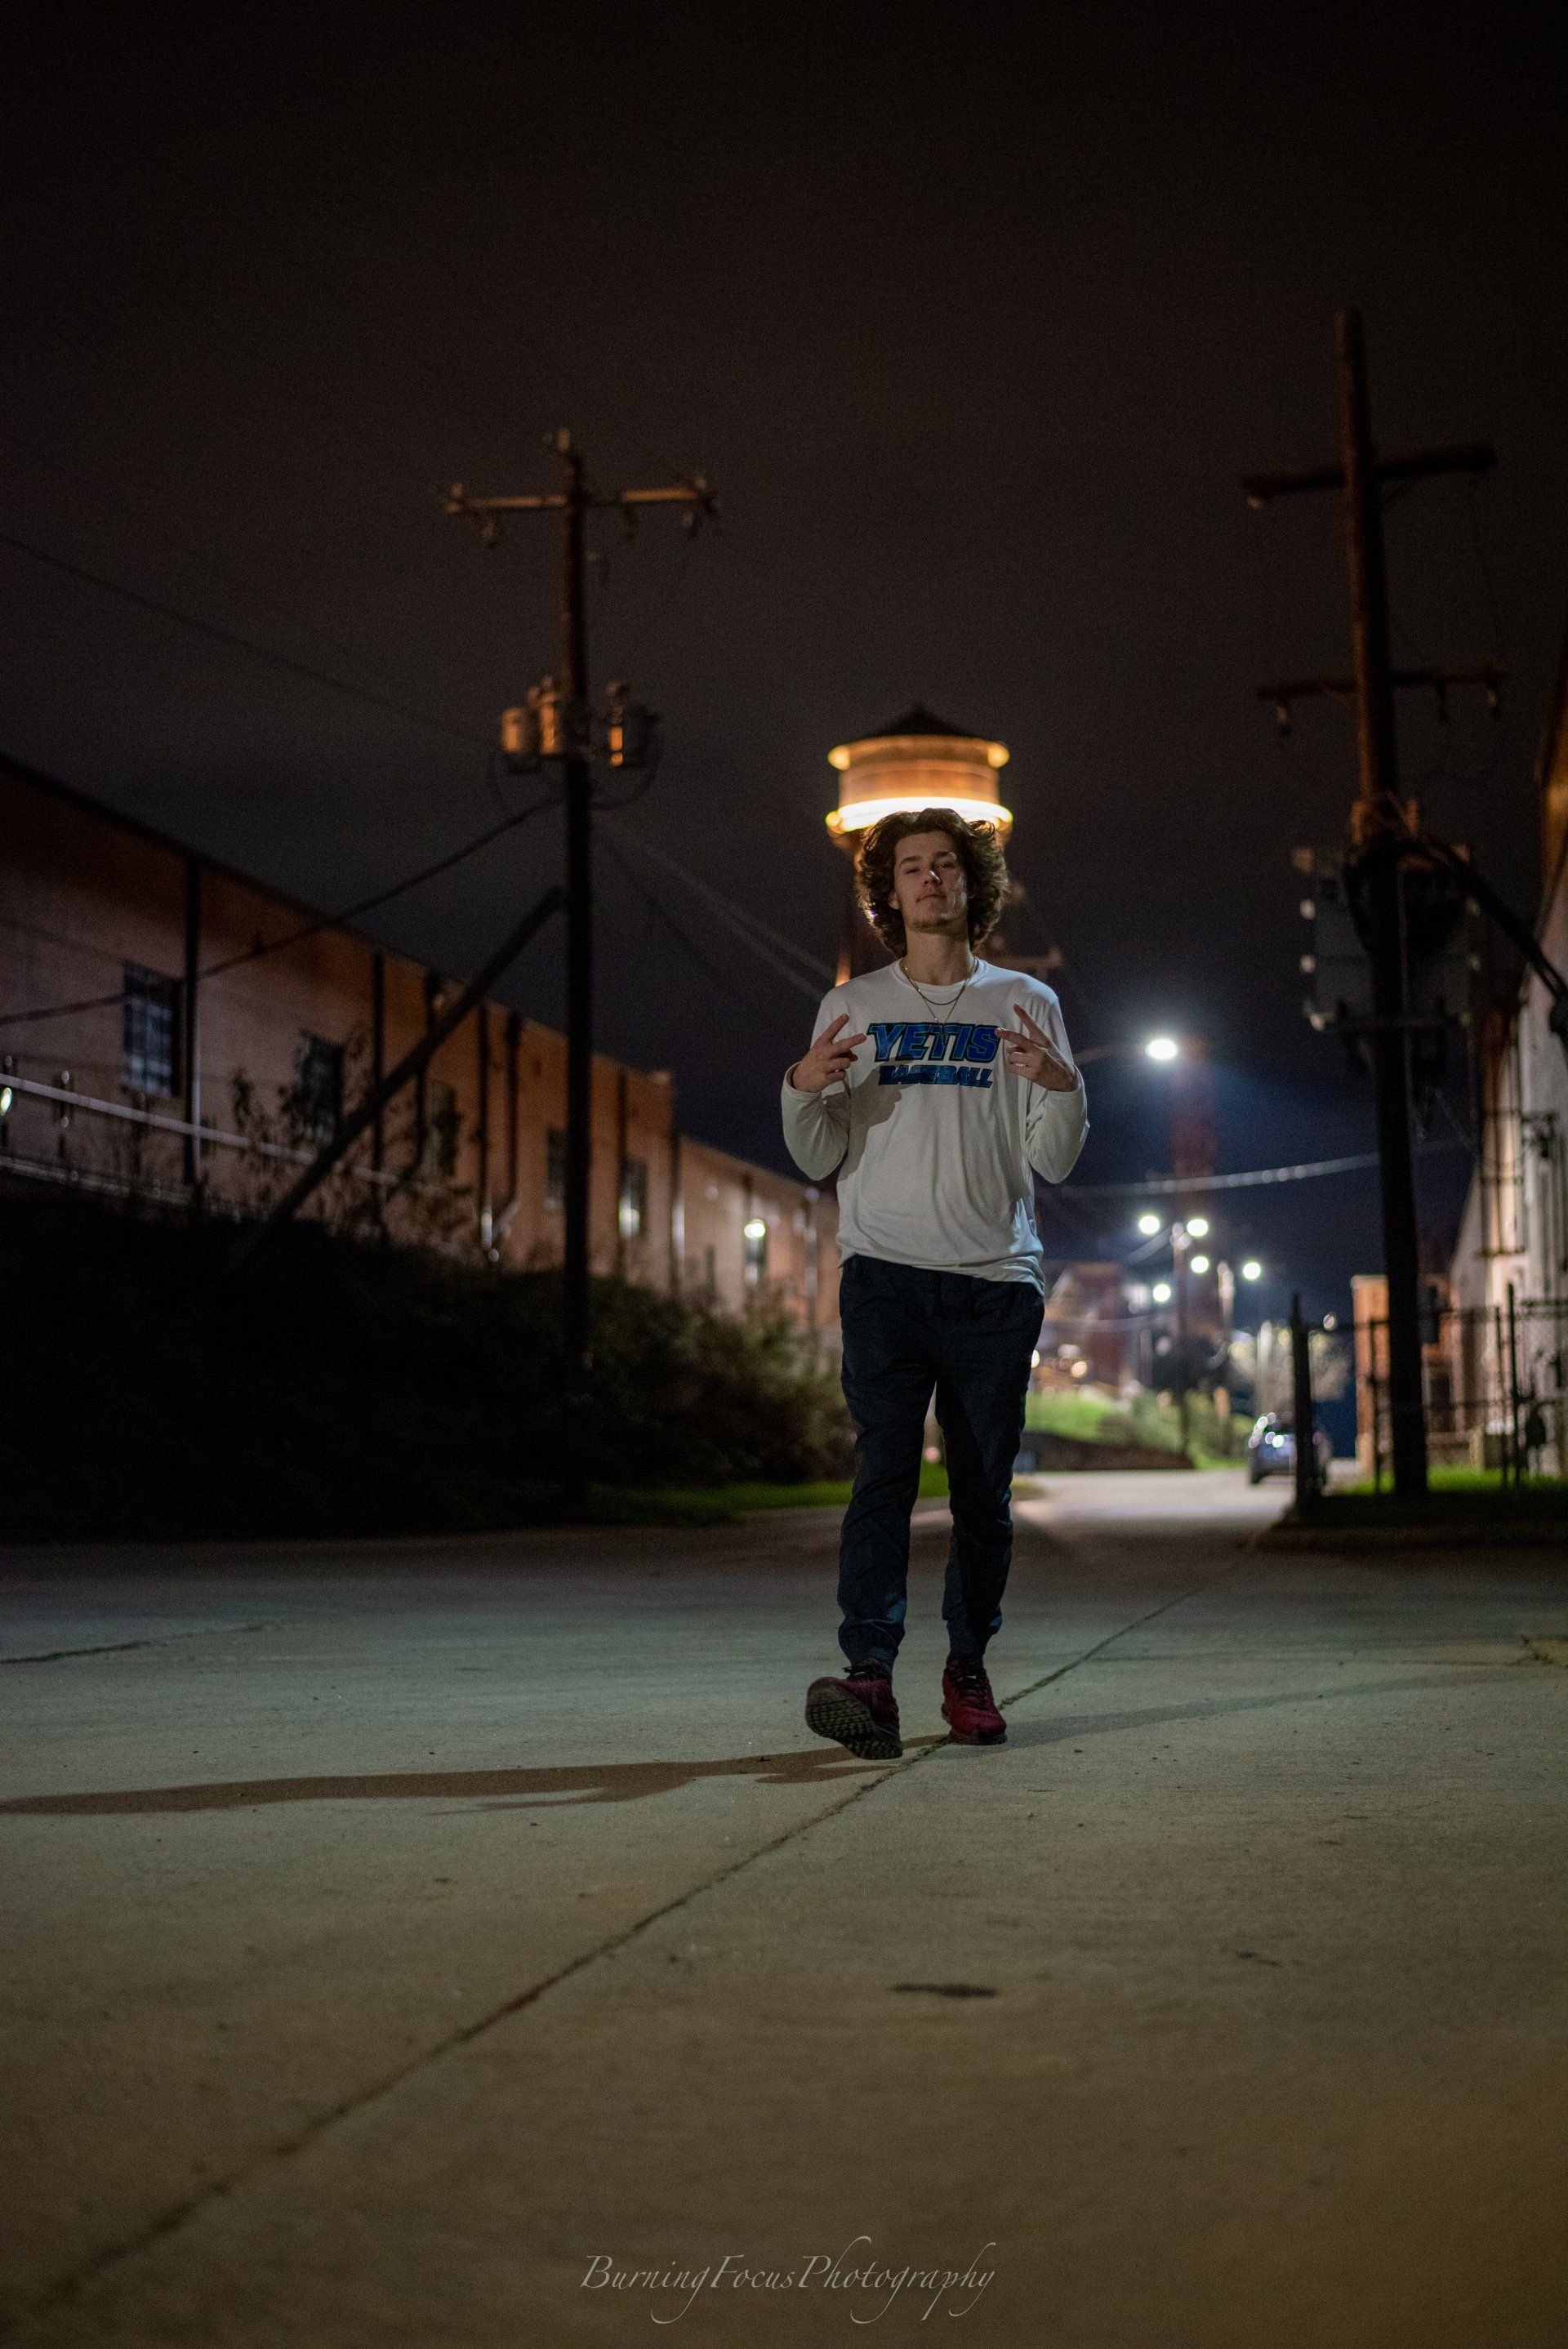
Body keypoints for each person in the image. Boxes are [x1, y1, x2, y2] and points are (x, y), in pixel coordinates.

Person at [781, 808, 1088, 1760]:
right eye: (911, 866)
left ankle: (967, 1668)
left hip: (995, 1281)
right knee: (883, 1472)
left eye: (945, 863)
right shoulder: (853, 1004)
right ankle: (868, 1675)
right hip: (884, 1275)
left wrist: (1061, 1083)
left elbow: (1056, 1158)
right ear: (889, 891)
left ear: (973, 883)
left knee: (983, 1492)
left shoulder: (1025, 1001)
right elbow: (817, 1153)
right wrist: (803, 1084)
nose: (929, 878)